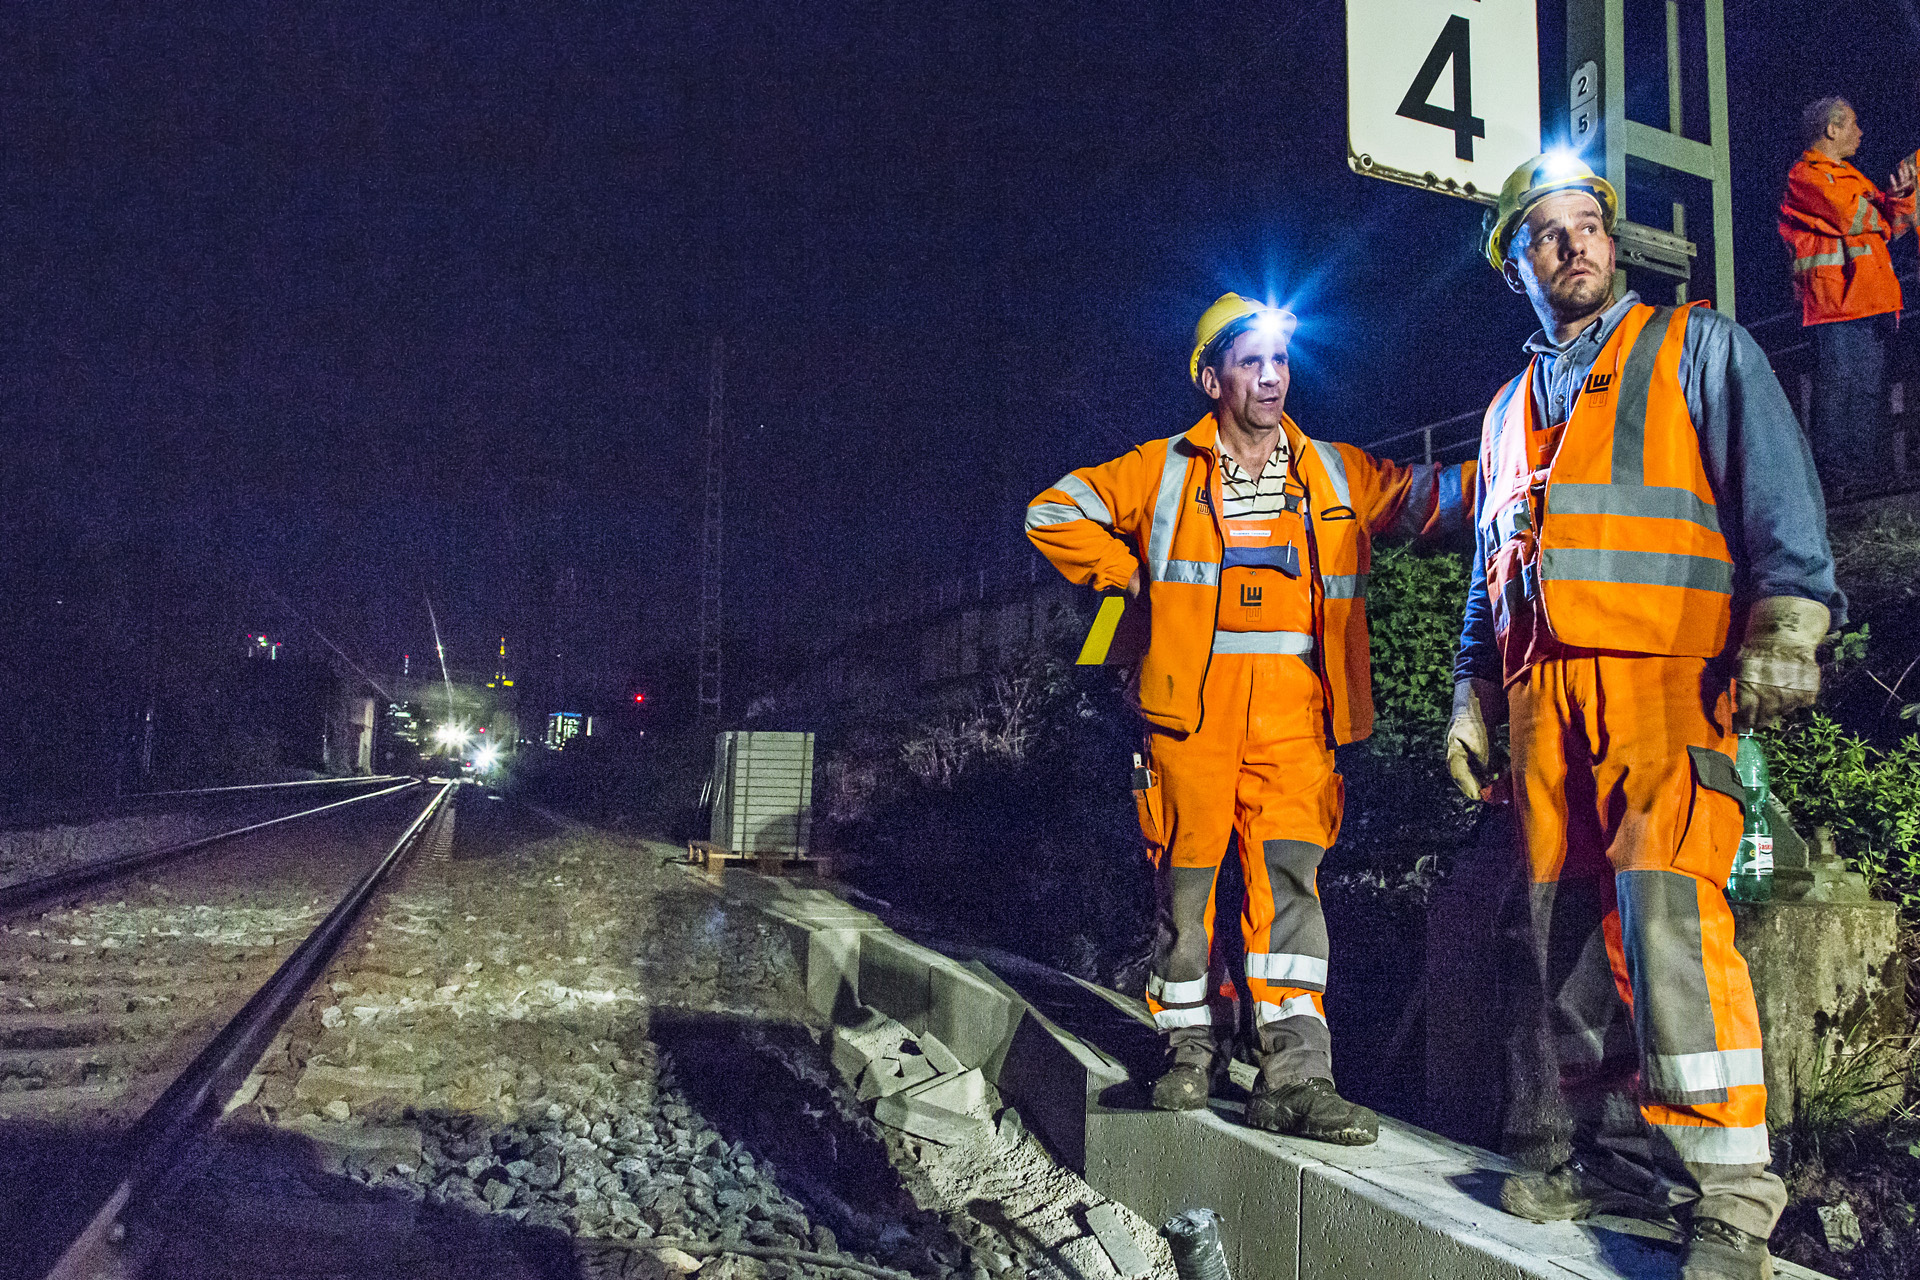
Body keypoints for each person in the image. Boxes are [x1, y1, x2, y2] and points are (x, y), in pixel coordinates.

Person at [1449, 153, 1845, 1280]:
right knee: (1555, 928)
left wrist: (1788, 619)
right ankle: (1603, 1150)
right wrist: (1470, 696)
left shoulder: (1698, 346)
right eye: (1546, 233)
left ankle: (1729, 1192)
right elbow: (1491, 571)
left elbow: (1775, 486)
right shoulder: (1503, 413)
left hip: (1667, 677)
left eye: (1589, 226)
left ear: (1613, 246)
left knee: (1669, 915)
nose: (1574, 244)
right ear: (1515, 264)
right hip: (1539, 700)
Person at [1026, 293, 1472, 1143]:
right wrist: (1126, 574)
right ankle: (1188, 1049)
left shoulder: (1336, 472)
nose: (1271, 378)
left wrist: (1532, 466)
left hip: (1296, 711)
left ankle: (1296, 1078)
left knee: (1290, 892)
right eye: (1249, 362)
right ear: (1210, 378)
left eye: (1279, 361)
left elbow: (1433, 497)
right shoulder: (1160, 470)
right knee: (1186, 884)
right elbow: (1051, 512)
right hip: (1191, 712)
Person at [1778, 95, 1916, 491]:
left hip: (1868, 300)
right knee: (1839, 386)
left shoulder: (1854, 180)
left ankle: (1864, 474)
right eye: (1853, 124)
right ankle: (1835, 478)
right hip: (1834, 301)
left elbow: (1893, 222)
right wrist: (1884, 215)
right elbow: (1851, 216)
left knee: (1869, 389)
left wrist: (1901, 197)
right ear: (1831, 129)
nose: (1860, 132)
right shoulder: (1804, 175)